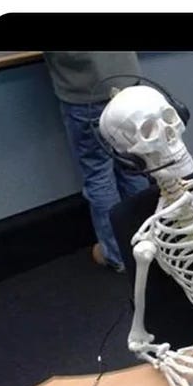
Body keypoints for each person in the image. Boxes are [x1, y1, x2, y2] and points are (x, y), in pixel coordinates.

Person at [43, 51, 150, 273]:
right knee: (133, 165)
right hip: (127, 81)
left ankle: (117, 254)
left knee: (98, 173)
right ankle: (149, 241)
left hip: (86, 92)